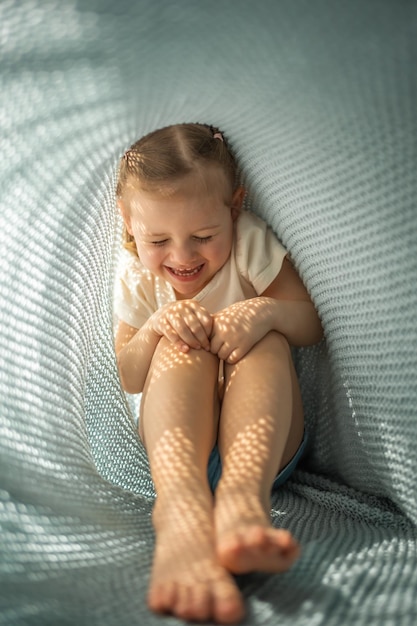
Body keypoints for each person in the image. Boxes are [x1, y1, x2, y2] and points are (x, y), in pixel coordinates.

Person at [114, 123, 323, 624]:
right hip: (177, 452)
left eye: (203, 237)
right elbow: (128, 374)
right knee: (177, 345)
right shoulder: (137, 275)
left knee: (265, 339)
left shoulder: (250, 242)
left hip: (263, 442)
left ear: (234, 207)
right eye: (159, 239)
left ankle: (241, 504)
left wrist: (266, 312)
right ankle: (180, 509)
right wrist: (156, 328)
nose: (183, 257)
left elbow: (309, 323)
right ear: (127, 223)